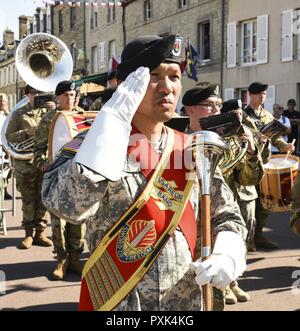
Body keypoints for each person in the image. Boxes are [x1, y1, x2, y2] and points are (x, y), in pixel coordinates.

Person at [42, 35, 247, 311]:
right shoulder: (90, 144)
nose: (167, 87)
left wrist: (228, 252)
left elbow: (227, 214)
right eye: (154, 75)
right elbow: (65, 205)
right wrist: (108, 132)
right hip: (121, 303)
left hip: (184, 304)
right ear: (130, 84)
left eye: (174, 77)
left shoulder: (192, 148)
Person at [183, 90, 262, 305]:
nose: (217, 109)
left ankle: (230, 284)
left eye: (218, 104)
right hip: (190, 230)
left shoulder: (231, 139)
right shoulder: (177, 141)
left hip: (224, 216)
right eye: (209, 104)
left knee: (212, 300)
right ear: (190, 109)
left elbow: (249, 179)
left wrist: (252, 152)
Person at [33, 80, 86, 280]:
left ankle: (75, 258)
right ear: (58, 97)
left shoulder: (83, 116)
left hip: (79, 176)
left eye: (72, 95)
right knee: (58, 220)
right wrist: (43, 165)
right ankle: (61, 258)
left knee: (78, 218)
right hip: (56, 176)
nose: (70, 98)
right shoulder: (49, 119)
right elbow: (38, 150)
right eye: (65, 95)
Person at [243, 82, 295, 251]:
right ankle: (247, 240)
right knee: (248, 204)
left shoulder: (267, 116)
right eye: (259, 94)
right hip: (247, 165)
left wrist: (284, 146)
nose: (262, 97)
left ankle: (259, 235)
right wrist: (256, 138)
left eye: (264, 94)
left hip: (265, 163)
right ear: (250, 95)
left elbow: (275, 138)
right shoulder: (242, 116)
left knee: (264, 203)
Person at [6, 85, 53, 249]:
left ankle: (40, 233)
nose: (38, 95)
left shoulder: (49, 111)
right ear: (27, 95)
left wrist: (55, 111)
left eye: (40, 92)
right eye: (34, 92)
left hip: (43, 161)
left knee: (42, 199)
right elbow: (9, 136)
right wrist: (27, 133)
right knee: (28, 200)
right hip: (25, 164)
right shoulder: (19, 113)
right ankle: (28, 235)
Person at [0, 93, 12, 200]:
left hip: (7, 147)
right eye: (3, 101)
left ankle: (4, 190)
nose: (4, 103)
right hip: (1, 148)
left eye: (5, 101)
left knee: (8, 171)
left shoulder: (6, 115)